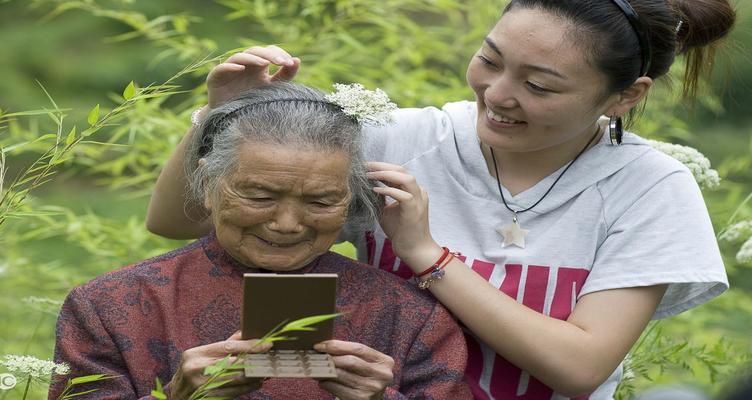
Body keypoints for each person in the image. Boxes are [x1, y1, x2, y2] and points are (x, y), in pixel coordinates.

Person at [145, 0, 736, 398]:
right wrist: (219, 117)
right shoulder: (398, 138)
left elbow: (579, 368)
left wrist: (426, 255)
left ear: (625, 96)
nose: (496, 95)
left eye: (538, 86)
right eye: (490, 61)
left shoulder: (650, 188)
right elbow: (175, 221)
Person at [49, 83, 473, 400]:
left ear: (352, 199)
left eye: (321, 200)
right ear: (208, 184)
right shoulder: (108, 306)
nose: (288, 224)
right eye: (259, 196)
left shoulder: (410, 318)